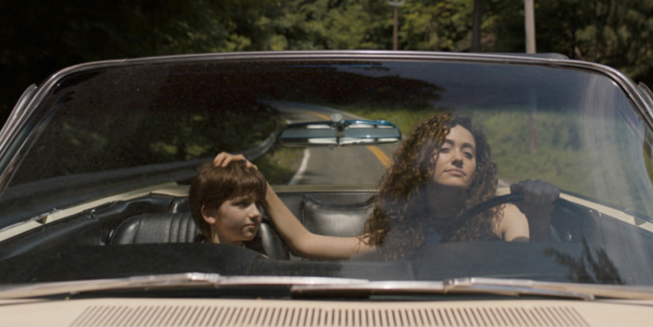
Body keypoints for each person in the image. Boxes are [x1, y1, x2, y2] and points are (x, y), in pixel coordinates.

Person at [214, 113, 557, 260]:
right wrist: (259, 182)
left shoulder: (501, 215)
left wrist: (539, 220)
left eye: (468, 153)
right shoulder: (402, 234)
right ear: (423, 161)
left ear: (478, 168)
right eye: (445, 148)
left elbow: (531, 266)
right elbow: (306, 242)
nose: (458, 158)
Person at [188, 159, 266, 251]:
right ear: (210, 214)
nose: (256, 213)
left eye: (258, 204)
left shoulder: (260, 263)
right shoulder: (187, 263)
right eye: (243, 203)